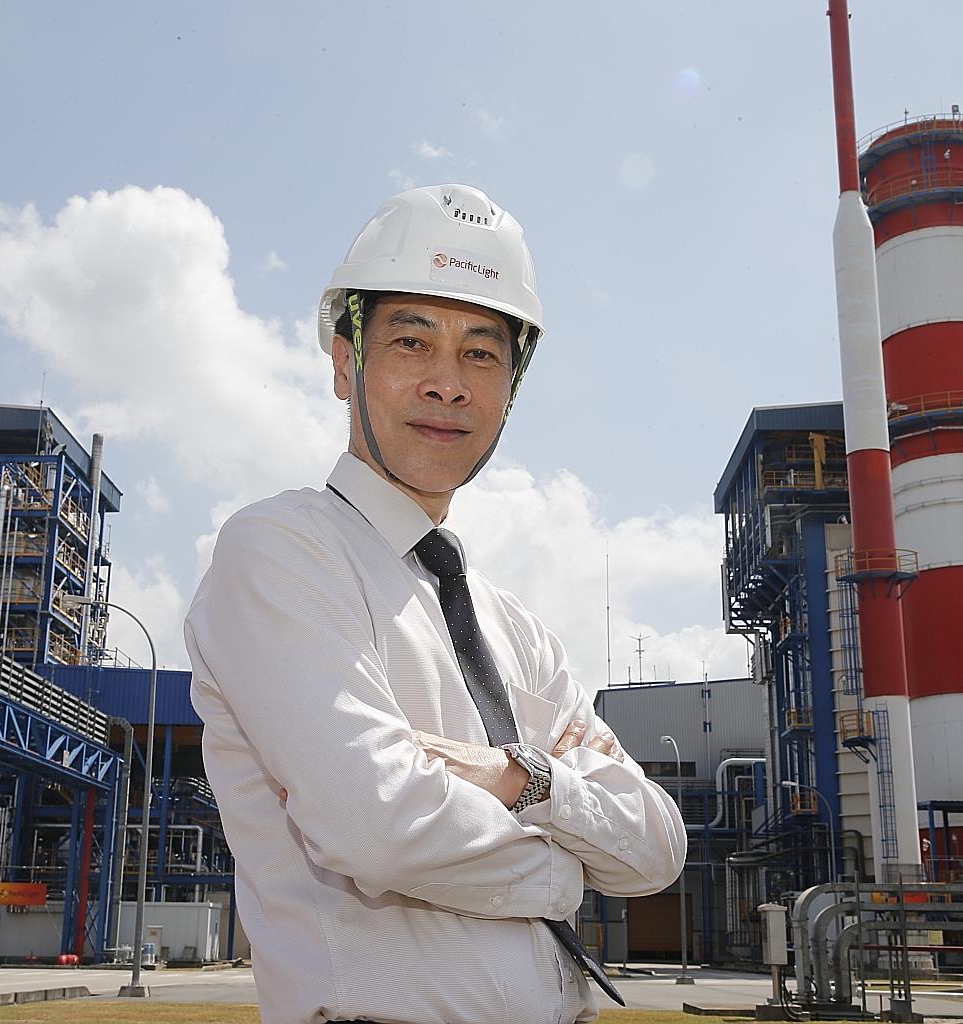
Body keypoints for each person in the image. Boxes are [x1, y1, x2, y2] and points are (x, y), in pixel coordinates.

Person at [186, 184, 685, 1024]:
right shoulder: (281, 551)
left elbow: (656, 850)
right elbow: (379, 826)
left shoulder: (517, 631)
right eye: (412, 341)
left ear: (511, 388)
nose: (448, 384)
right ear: (344, 364)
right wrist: (568, 869)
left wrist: (523, 780)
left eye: (482, 354)